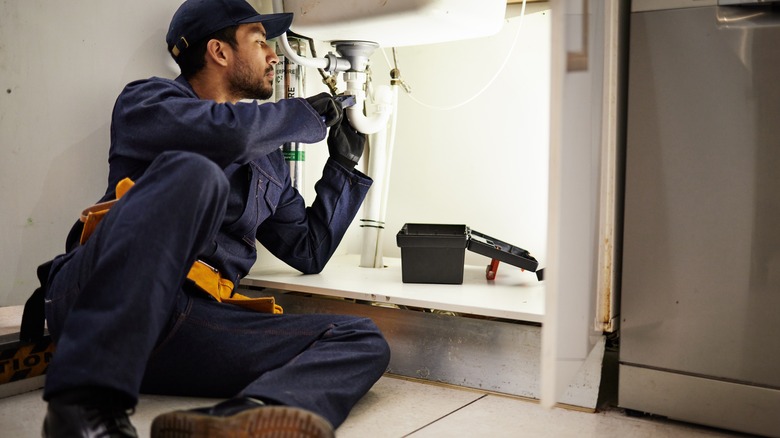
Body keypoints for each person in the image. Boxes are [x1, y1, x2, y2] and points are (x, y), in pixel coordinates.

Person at [34, 0, 391, 436]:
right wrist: (303, 117)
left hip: (189, 325)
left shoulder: (270, 161)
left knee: (361, 338)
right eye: (260, 42)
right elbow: (230, 134)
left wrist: (343, 169)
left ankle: (245, 417)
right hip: (101, 304)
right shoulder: (147, 102)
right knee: (196, 173)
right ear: (219, 52)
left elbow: (308, 250)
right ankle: (83, 406)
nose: (274, 56)